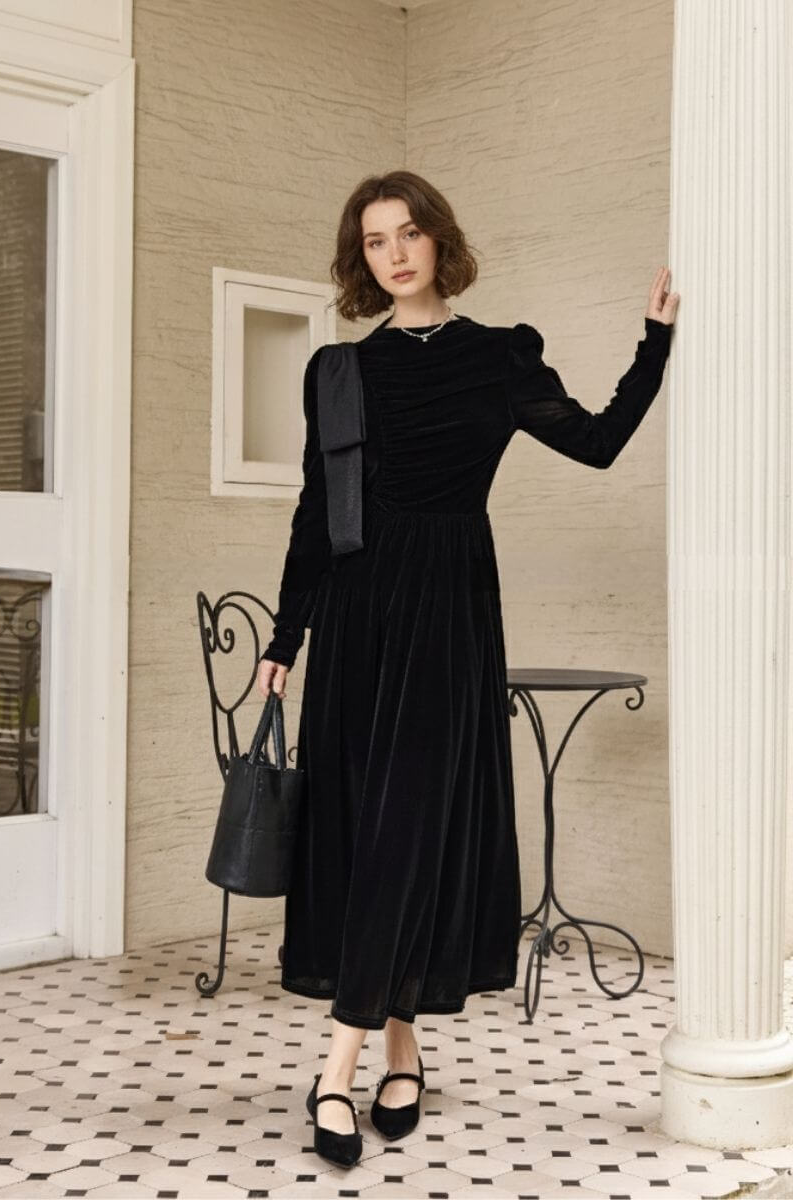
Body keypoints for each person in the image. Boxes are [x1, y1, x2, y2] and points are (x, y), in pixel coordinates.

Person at [258, 169, 678, 1167]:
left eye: (409, 234)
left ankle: (335, 1069)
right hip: (358, 623)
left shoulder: (498, 357)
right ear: (359, 259)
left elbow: (597, 441)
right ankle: (400, 1048)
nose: (394, 253)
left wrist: (653, 344)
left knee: (412, 822)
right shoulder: (336, 373)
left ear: (439, 241)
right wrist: (284, 640)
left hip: (448, 613)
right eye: (373, 241)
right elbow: (318, 520)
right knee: (368, 829)